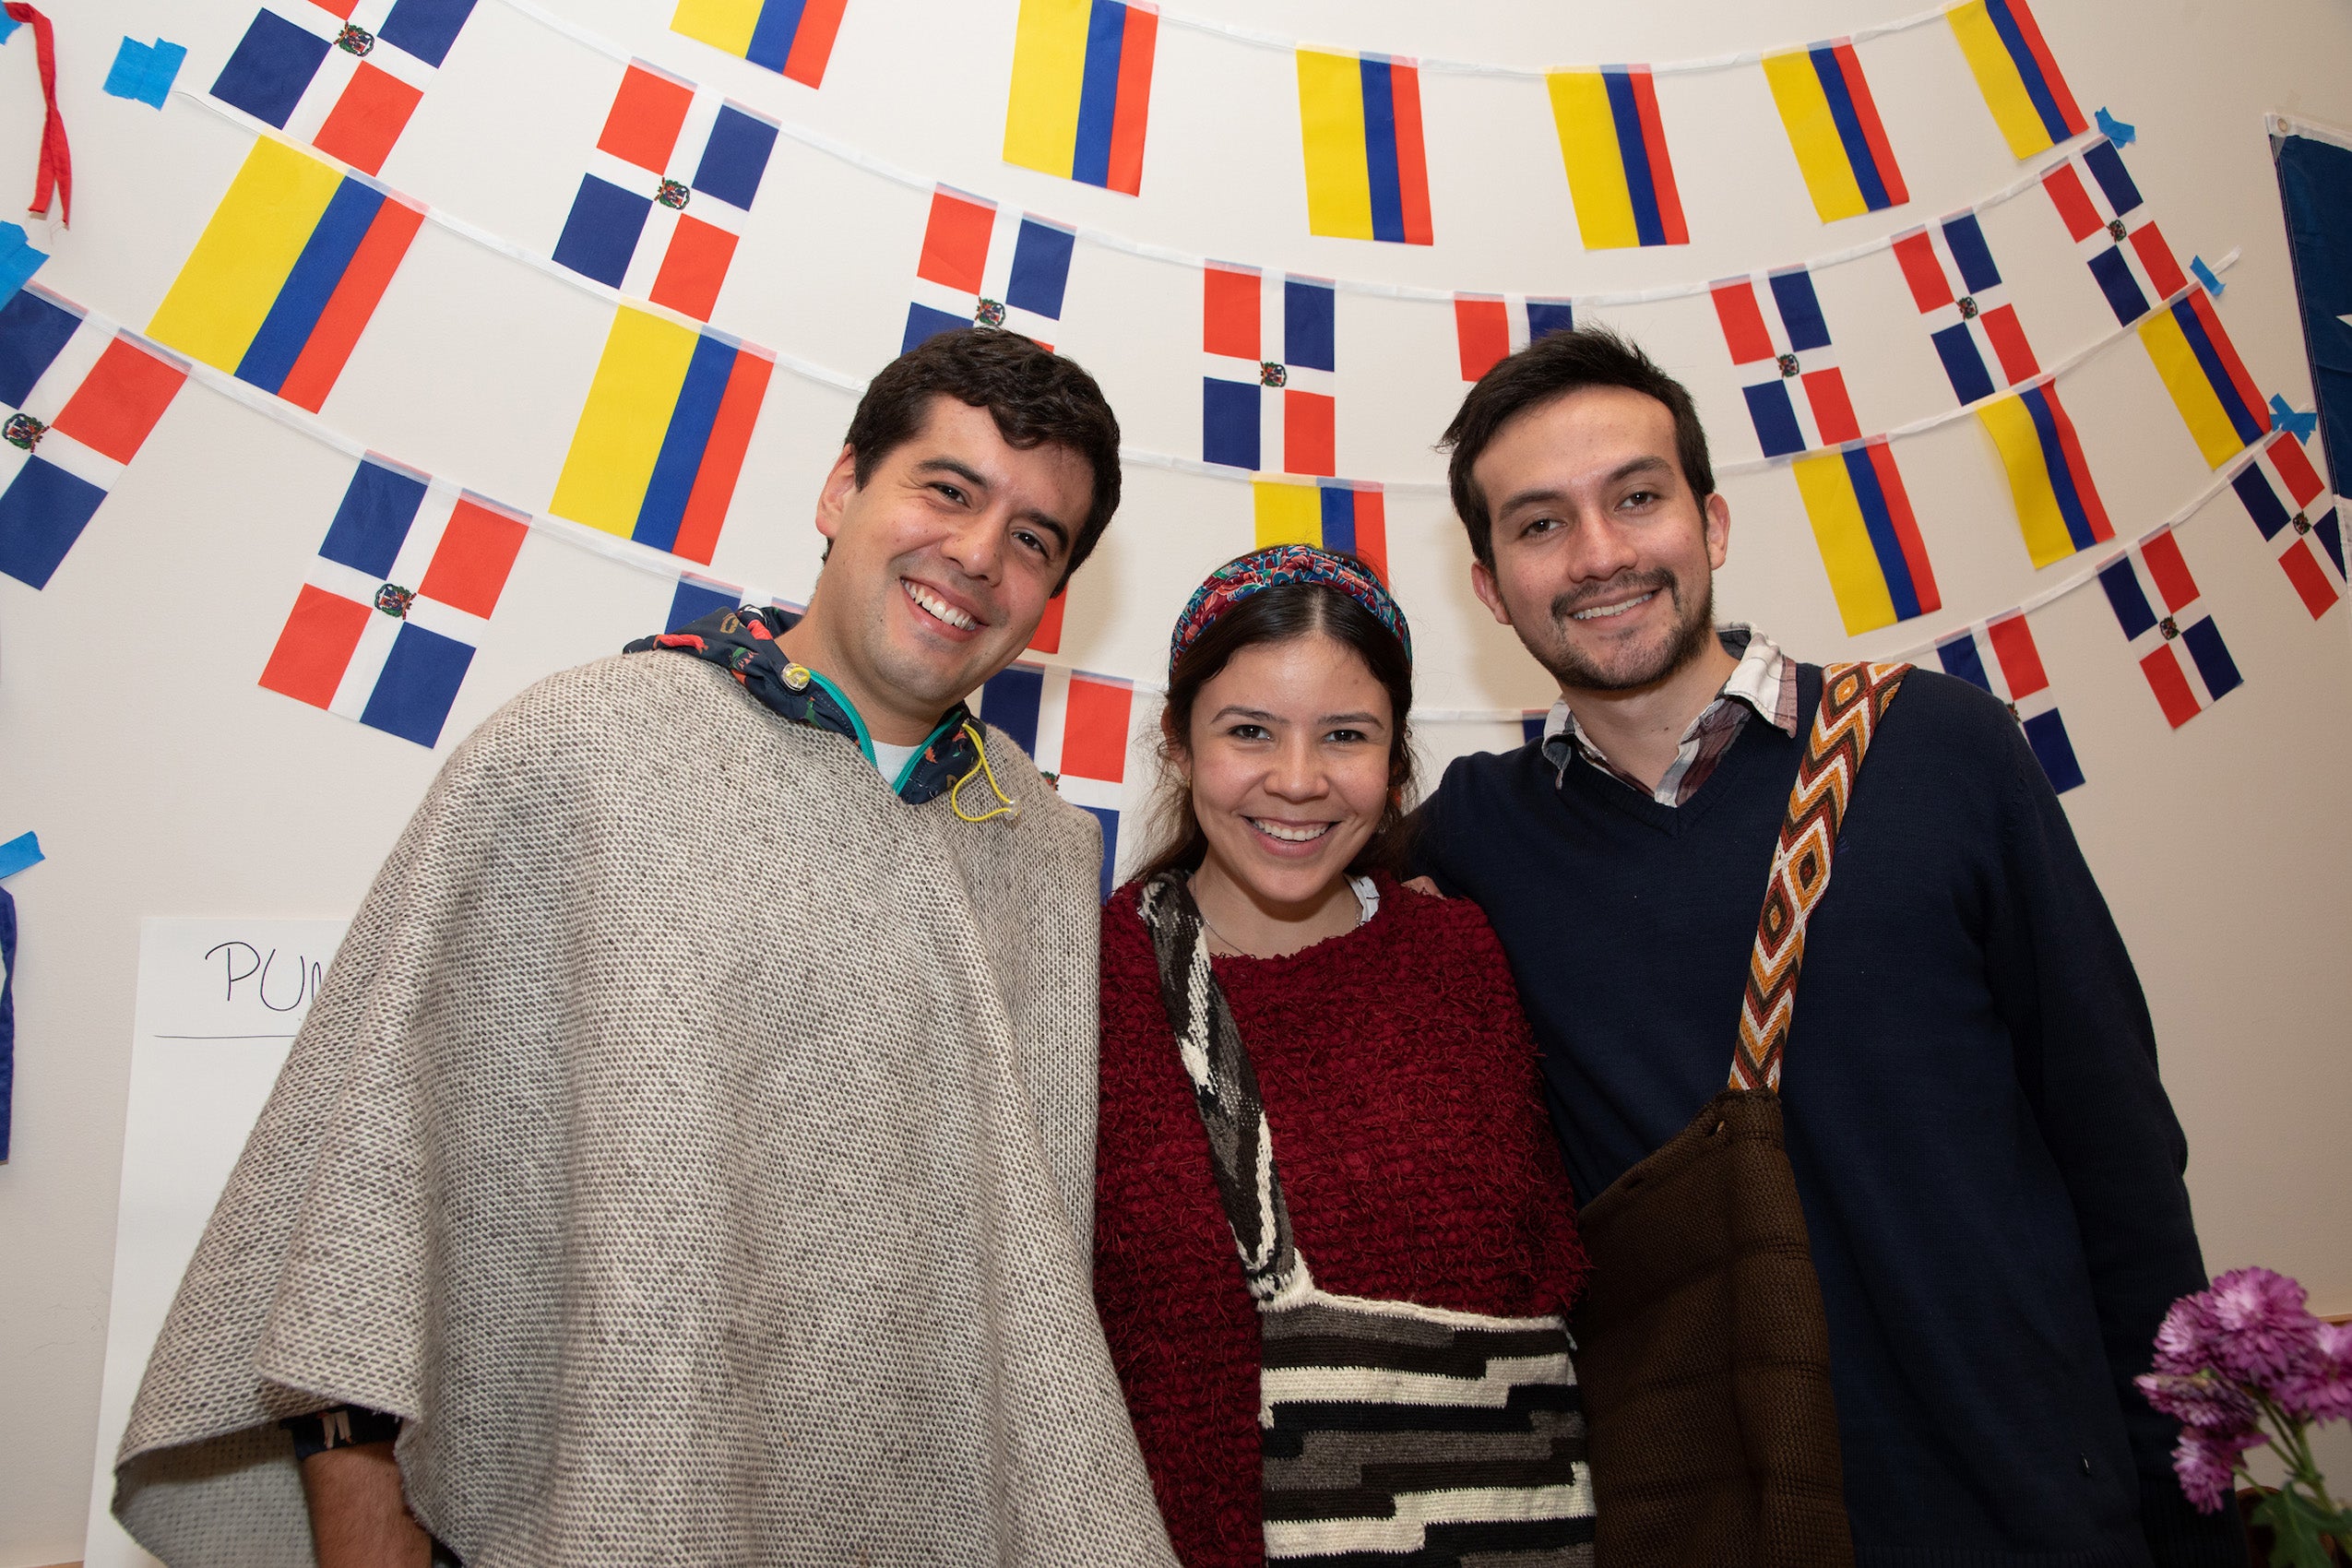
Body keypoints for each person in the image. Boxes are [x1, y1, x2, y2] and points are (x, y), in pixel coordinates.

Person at [112, 329, 1179, 1568]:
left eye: (1034, 539)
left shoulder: (1040, 855)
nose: (979, 555)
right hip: (607, 1504)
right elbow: (363, 1194)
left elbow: (1027, 1285)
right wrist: (363, 1519)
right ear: (842, 491)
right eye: (947, 489)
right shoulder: (577, 756)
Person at [1410, 327, 2245, 1565]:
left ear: (1710, 520)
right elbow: (1268, 872)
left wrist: (2191, 1514)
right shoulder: (1476, 839)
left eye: (1635, 498)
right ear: (1489, 587)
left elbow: (2118, 1155)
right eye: (1537, 525)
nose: (1598, 555)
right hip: (1725, 1523)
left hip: (2031, 1513)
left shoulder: (1943, 752)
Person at [1092, 545, 1595, 1568]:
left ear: (1396, 757)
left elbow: (1554, 1279)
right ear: (1178, 745)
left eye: (1345, 735)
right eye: (1249, 731)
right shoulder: (1088, 985)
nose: (1297, 779)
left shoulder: (1463, 959)